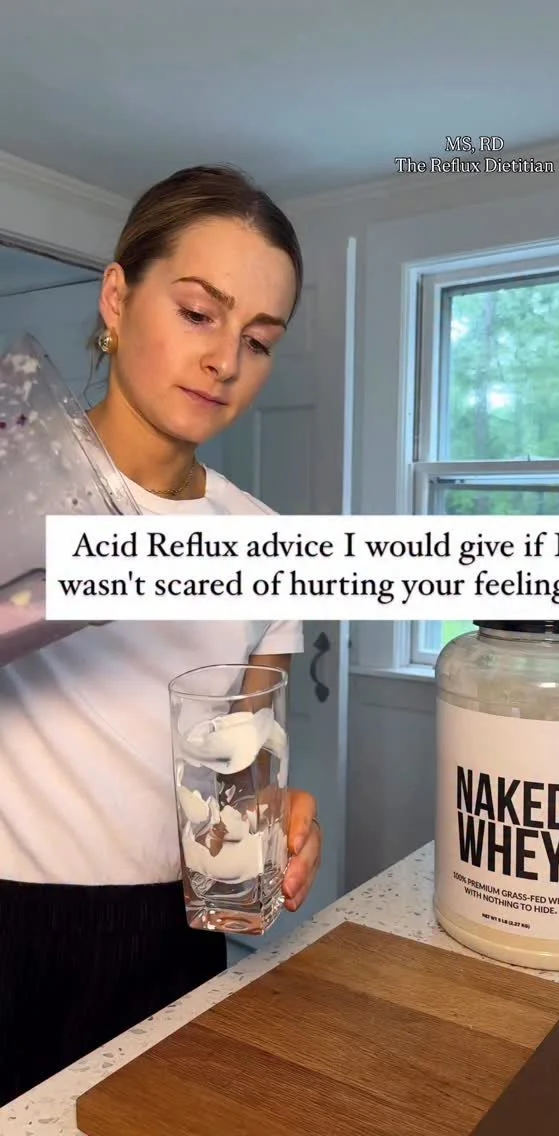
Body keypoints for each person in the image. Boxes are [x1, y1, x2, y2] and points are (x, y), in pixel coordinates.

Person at [0, 165, 322, 1107]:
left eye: (258, 340)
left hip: (170, 946)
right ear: (116, 298)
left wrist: (273, 823)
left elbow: (239, 777)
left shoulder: (266, 543)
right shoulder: (12, 482)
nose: (226, 360)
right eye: (197, 313)